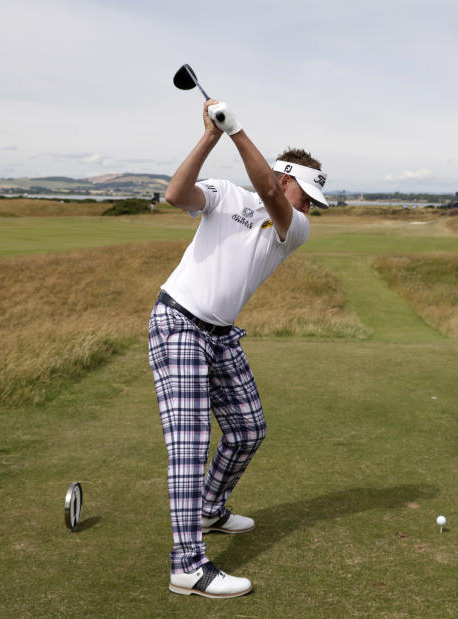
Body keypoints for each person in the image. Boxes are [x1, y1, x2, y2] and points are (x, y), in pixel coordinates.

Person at [149, 98, 329, 598]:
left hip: (221, 333)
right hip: (179, 322)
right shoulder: (227, 194)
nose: (310, 207)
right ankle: (187, 565)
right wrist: (211, 136)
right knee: (188, 444)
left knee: (249, 430)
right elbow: (174, 194)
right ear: (287, 178)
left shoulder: (295, 227)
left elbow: (270, 192)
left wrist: (238, 130)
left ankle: (210, 509)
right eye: (307, 194)